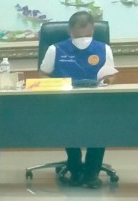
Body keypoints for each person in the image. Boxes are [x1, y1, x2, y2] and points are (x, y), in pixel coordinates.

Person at [40, 11, 117, 188]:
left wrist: (107, 81)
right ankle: (75, 169)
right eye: (79, 36)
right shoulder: (55, 49)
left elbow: (111, 76)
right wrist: (57, 85)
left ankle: (91, 174)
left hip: (96, 103)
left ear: (93, 31)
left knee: (100, 126)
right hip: (65, 103)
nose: (83, 40)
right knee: (68, 124)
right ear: (70, 31)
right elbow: (43, 75)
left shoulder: (104, 49)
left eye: (87, 35)